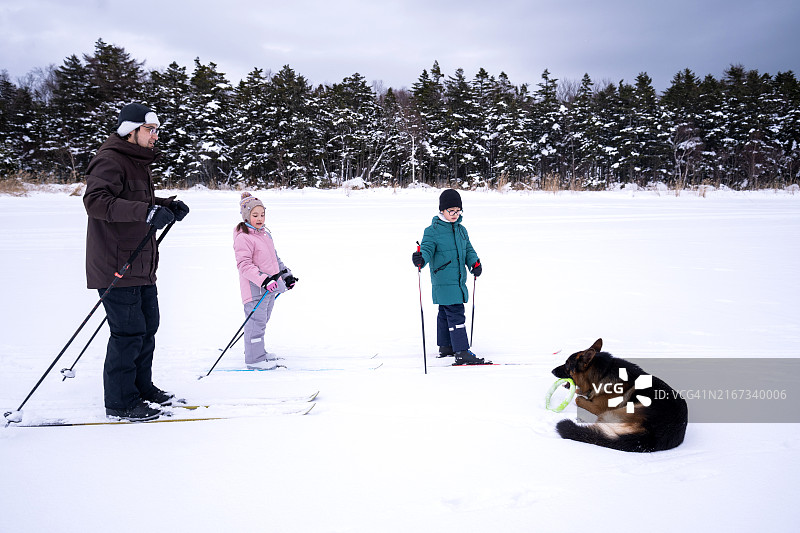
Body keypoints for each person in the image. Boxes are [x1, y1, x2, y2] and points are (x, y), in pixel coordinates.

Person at [83, 102, 190, 421]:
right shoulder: (110, 159)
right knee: (128, 334)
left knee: (147, 328)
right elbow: (96, 202)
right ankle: (120, 401)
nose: (155, 135)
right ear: (131, 130)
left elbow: (136, 200)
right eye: (150, 129)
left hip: (141, 263)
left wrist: (165, 206)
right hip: (116, 263)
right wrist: (146, 212)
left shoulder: (137, 161)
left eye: (156, 129)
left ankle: (142, 388)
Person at [412, 189, 486, 365]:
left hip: (458, 279)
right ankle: (461, 351)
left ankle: (446, 346)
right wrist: (421, 258)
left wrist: (474, 263)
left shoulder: (461, 230)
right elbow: (427, 249)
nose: (454, 214)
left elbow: (468, 249)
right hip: (444, 279)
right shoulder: (433, 230)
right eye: (450, 211)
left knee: (445, 313)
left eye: (457, 211)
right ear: (442, 210)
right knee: (456, 313)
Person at [234, 192, 298, 369]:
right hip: (255, 289)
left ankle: (258, 352)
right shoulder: (243, 237)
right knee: (255, 322)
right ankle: (254, 360)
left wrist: (286, 276)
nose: (260, 218)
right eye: (255, 215)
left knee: (262, 321)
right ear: (247, 216)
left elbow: (274, 260)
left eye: (262, 214)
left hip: (270, 288)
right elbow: (244, 266)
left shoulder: (264, 235)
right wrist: (264, 281)